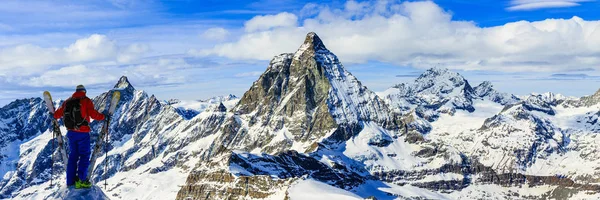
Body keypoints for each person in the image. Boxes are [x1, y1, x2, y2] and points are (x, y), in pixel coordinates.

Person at [54, 85, 107, 189]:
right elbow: (93, 114)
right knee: (84, 155)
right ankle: (81, 180)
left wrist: (53, 112)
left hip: (71, 133)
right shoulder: (86, 100)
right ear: (84, 92)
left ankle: (70, 181)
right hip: (82, 132)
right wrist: (104, 116)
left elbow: (57, 114)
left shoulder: (67, 101)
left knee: (73, 155)